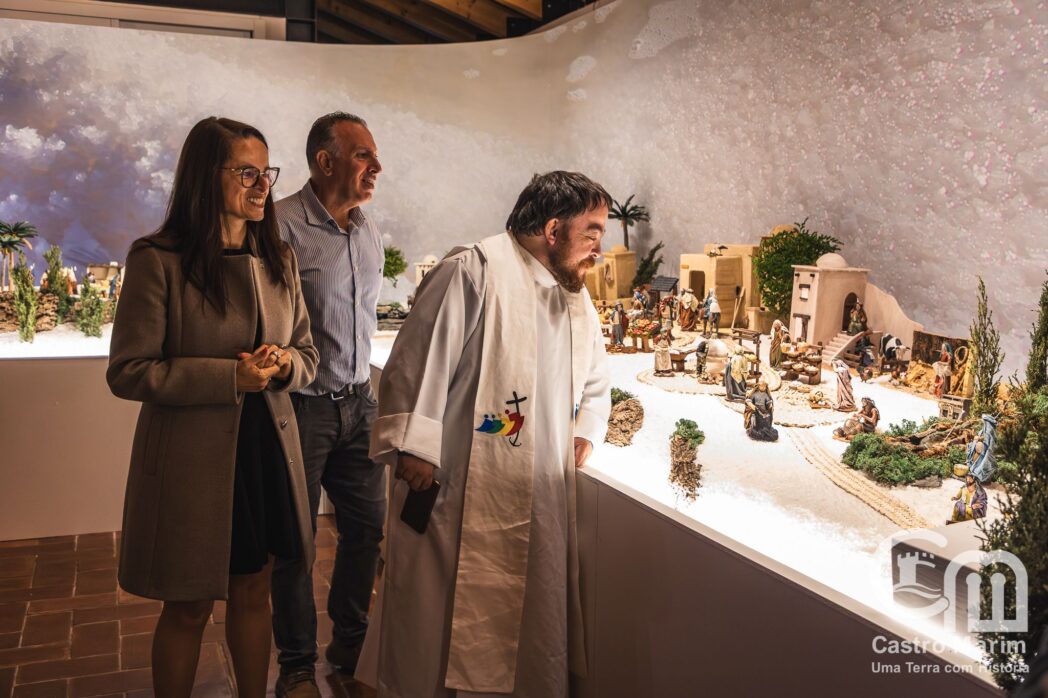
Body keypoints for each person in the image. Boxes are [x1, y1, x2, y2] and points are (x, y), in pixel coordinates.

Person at [357, 171, 612, 698]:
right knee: (440, 623)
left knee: (526, 620)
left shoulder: (573, 296)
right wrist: (415, 446)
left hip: (535, 490)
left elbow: (597, 378)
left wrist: (587, 428)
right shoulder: (472, 271)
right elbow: (417, 362)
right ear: (552, 230)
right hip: (458, 486)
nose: (599, 248)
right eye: (592, 232)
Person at [106, 117, 318, 697]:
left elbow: (307, 354)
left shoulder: (279, 257)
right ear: (205, 176)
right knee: (189, 605)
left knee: (254, 589)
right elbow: (128, 370)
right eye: (247, 172)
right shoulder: (158, 259)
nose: (262, 186)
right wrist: (231, 377)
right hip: (192, 460)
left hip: (265, 447)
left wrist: (282, 365)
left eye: (267, 172)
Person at [270, 112, 386, 695]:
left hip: (360, 404)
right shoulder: (280, 225)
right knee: (295, 543)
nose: (376, 166)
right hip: (302, 409)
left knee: (367, 531)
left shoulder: (366, 227)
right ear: (325, 161)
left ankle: (351, 644)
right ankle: (296, 664)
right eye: (363, 155)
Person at [967, 414, 999, 482]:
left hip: (987, 449)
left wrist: (979, 439)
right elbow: (981, 436)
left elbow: (988, 441)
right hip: (982, 449)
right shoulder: (984, 429)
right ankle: (973, 469)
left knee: (979, 446)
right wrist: (977, 438)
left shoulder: (989, 429)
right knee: (975, 446)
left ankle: (976, 471)